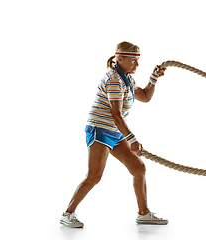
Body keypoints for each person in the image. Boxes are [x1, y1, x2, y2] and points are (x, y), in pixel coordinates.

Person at [60, 41, 168, 228]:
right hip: (100, 130)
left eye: (138, 61)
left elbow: (144, 96)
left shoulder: (127, 78)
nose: (137, 65)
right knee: (94, 176)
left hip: (115, 132)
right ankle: (67, 214)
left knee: (139, 169)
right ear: (120, 58)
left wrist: (153, 79)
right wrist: (132, 139)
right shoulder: (113, 80)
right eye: (133, 61)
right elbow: (116, 115)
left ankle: (143, 214)